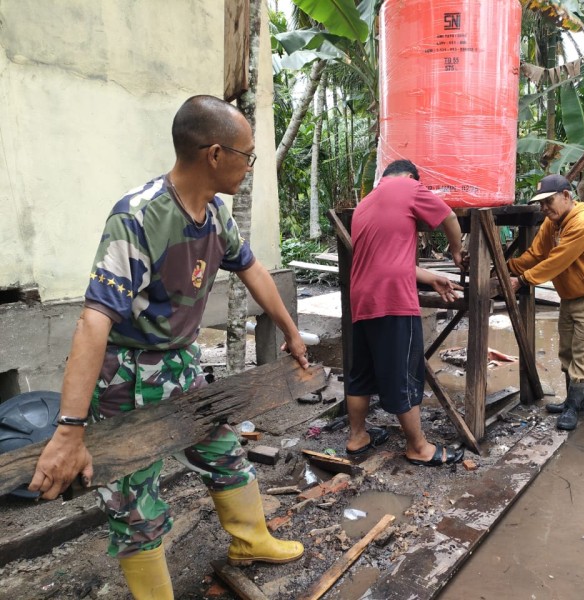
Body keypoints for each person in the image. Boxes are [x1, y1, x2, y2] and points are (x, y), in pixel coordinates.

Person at [27, 95, 309, 599]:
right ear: (215, 154)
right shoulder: (138, 217)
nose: (250, 166)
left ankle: (251, 540)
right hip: (125, 378)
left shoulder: (217, 215)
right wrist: (70, 430)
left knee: (224, 453)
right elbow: (94, 321)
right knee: (136, 501)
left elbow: (252, 269)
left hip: (180, 365)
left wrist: (288, 329)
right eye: (247, 155)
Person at [345, 159, 466, 467]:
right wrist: (455, 250)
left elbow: (388, 260)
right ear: (412, 178)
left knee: (361, 372)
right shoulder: (409, 187)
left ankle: (357, 437)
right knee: (404, 374)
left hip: (362, 299)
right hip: (393, 300)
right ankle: (419, 447)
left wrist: (431, 277)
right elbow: (450, 217)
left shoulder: (366, 204)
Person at [507, 174, 584, 431]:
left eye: (548, 202)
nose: (544, 209)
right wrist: (507, 267)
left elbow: (557, 260)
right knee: (568, 352)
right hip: (570, 296)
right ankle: (576, 403)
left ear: (566, 196)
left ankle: (573, 408)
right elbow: (536, 254)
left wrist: (522, 280)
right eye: (541, 204)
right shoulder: (553, 223)